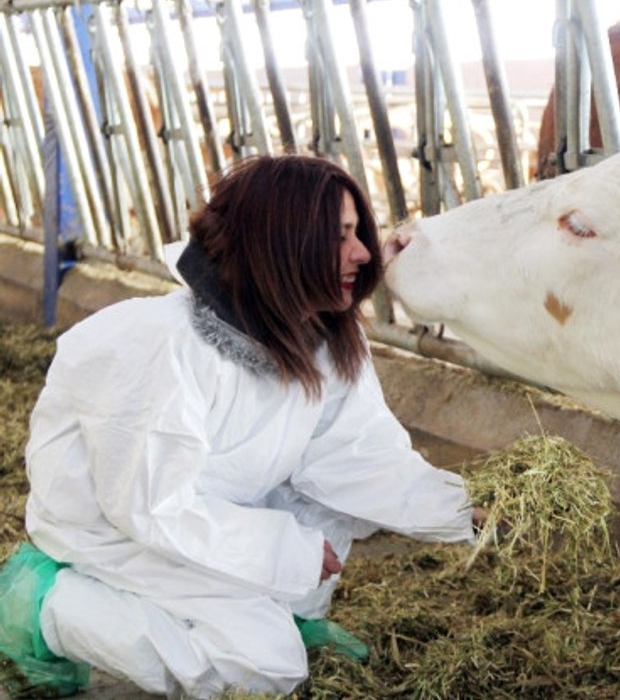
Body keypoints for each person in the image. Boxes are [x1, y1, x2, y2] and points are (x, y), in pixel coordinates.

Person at [0, 154, 477, 699]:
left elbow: (355, 453)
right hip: (113, 530)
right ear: (283, 244)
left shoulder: (322, 338)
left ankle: (241, 610)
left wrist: (467, 510)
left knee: (320, 522)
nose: (364, 253)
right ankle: (51, 605)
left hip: (211, 508)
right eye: (341, 235)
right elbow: (153, 507)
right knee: (264, 664)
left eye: (357, 233)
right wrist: (287, 553)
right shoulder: (160, 347)